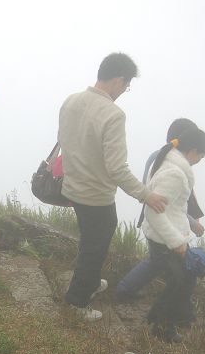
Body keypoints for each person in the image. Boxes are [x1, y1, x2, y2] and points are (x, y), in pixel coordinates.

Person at [58, 52, 168, 322]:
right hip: (96, 195)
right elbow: (117, 168)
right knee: (94, 248)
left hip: (73, 187)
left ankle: (90, 282)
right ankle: (77, 302)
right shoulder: (113, 114)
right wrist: (146, 195)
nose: (124, 91)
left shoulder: (71, 100)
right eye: (126, 85)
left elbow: (65, 140)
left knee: (90, 240)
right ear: (119, 80)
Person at [116, 118, 205, 306]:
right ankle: (159, 308)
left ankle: (127, 290)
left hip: (158, 221)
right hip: (163, 223)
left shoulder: (161, 156)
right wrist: (192, 223)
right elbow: (170, 203)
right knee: (167, 267)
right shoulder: (173, 167)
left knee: (157, 262)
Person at [142, 127, 205, 342]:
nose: (200, 160)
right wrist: (177, 243)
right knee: (178, 285)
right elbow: (152, 211)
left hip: (166, 237)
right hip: (166, 240)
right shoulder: (175, 174)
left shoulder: (170, 164)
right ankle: (163, 329)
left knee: (179, 283)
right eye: (201, 156)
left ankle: (160, 322)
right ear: (193, 151)